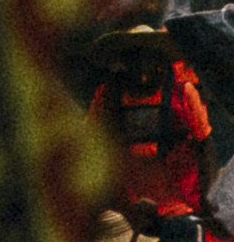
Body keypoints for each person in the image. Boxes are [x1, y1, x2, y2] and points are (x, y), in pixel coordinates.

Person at [86, 22, 212, 223]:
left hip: (180, 205)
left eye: (147, 55)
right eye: (134, 56)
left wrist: (207, 197)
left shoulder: (183, 93)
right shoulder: (107, 95)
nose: (141, 63)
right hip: (127, 209)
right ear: (124, 60)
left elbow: (204, 145)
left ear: (159, 59)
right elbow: (91, 147)